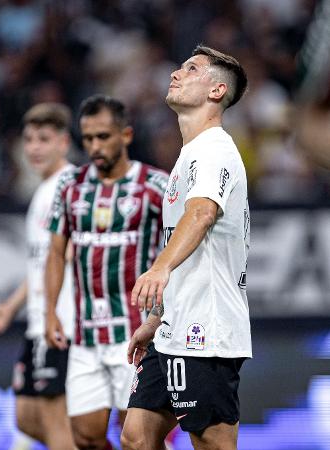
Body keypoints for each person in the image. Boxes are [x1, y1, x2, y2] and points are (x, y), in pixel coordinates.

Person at [121, 45, 251, 450]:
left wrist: (158, 269)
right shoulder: (189, 154)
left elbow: (201, 215)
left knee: (211, 443)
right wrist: (158, 316)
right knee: (137, 438)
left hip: (205, 328)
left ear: (216, 91)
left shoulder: (214, 150)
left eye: (191, 69)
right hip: (174, 326)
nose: (176, 73)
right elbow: (186, 238)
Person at [45, 94, 168, 450]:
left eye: (103, 136)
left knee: (140, 438)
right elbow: (56, 251)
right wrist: (50, 310)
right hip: (85, 335)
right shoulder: (70, 188)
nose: (95, 146)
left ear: (126, 135)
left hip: (136, 334)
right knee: (85, 436)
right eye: (88, 138)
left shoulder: (155, 186)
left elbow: (181, 244)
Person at [0, 102, 75, 450]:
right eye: (29, 139)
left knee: (56, 427)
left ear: (63, 142)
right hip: (38, 324)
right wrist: (10, 307)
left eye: (44, 139)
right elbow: (41, 264)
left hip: (61, 325)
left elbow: (73, 257)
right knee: (26, 417)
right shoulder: (42, 191)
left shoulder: (70, 187)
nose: (34, 148)